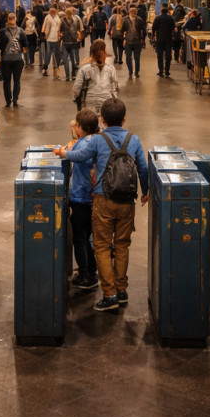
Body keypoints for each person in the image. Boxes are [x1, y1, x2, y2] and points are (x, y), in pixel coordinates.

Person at [64, 98, 150, 312]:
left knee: (102, 247)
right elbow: (143, 168)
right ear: (124, 119)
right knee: (122, 245)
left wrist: (63, 153)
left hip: (103, 199)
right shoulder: (134, 139)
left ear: (102, 119)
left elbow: (79, 155)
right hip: (127, 200)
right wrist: (145, 192)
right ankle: (121, 290)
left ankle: (109, 294)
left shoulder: (98, 140)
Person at [54, 108, 100, 291]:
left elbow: (78, 156)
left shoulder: (83, 144)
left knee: (79, 238)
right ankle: (92, 268)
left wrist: (62, 152)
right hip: (92, 198)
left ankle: (85, 274)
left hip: (80, 197)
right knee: (88, 235)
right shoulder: (97, 141)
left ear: (81, 127)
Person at [73, 40, 119, 115]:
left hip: (90, 103)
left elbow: (76, 88)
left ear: (92, 54)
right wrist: (115, 101)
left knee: (90, 124)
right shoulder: (111, 69)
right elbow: (114, 88)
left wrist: (76, 99)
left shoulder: (84, 69)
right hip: (107, 103)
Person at [0, 12, 27, 107]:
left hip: (5, 60)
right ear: (15, 19)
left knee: (6, 81)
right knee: (17, 81)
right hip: (18, 60)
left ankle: (8, 101)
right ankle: (15, 100)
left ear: (7, 20)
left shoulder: (2, 32)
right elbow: (26, 44)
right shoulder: (21, 31)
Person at [121, 7, 146, 79]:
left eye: (134, 12)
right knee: (128, 58)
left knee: (137, 58)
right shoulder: (125, 20)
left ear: (136, 13)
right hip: (128, 41)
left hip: (137, 42)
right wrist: (123, 39)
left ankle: (137, 72)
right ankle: (130, 72)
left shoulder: (140, 20)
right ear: (129, 12)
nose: (133, 14)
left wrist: (142, 39)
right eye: (132, 12)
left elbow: (144, 31)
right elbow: (122, 30)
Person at [151, 5, 176, 77]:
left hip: (160, 39)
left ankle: (161, 71)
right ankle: (167, 71)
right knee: (168, 56)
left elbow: (153, 28)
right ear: (167, 11)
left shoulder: (158, 18)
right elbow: (173, 28)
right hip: (168, 39)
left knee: (160, 55)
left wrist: (153, 36)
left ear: (161, 11)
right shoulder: (171, 18)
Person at [60, 6, 81, 81]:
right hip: (73, 42)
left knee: (65, 61)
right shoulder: (76, 20)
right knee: (73, 59)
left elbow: (60, 30)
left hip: (65, 42)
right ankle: (74, 75)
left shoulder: (62, 20)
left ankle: (67, 76)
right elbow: (78, 29)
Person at [42, 5, 62, 79]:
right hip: (49, 38)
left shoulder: (57, 17)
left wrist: (59, 34)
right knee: (49, 53)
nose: (53, 11)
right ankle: (45, 68)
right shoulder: (47, 17)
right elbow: (44, 26)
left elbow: (59, 26)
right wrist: (44, 34)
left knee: (57, 53)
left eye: (54, 10)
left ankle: (56, 67)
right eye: (51, 10)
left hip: (57, 38)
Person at [22, 4, 38, 69]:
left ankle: (27, 62)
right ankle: (31, 61)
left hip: (26, 35)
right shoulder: (34, 18)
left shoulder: (26, 19)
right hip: (33, 35)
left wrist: (25, 20)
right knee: (32, 49)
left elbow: (22, 27)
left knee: (26, 49)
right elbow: (37, 26)